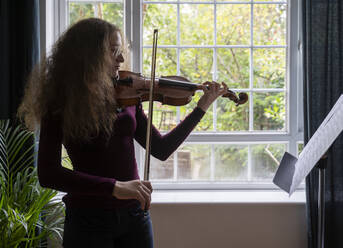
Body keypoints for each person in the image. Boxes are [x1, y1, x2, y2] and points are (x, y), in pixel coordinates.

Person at [18, 18, 227, 248]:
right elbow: (48, 175)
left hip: (135, 217)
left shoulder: (127, 95)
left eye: (120, 51)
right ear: (88, 56)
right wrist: (115, 187)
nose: (120, 59)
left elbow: (161, 149)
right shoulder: (59, 104)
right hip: (87, 221)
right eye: (112, 51)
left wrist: (202, 107)